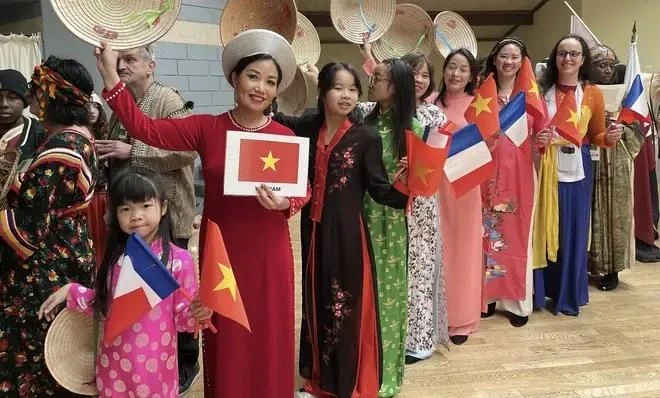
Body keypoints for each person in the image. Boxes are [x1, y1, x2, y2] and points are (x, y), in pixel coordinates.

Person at [94, 29, 310, 398]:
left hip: (268, 252)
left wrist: (286, 204)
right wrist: (112, 77)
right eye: (253, 76)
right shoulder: (207, 127)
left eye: (270, 82)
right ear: (234, 78)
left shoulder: (283, 137)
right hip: (222, 254)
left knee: (269, 334)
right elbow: (144, 128)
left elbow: (302, 190)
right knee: (224, 335)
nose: (260, 87)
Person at [274, 62, 408, 398]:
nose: (346, 95)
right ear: (322, 92)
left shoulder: (366, 137)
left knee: (343, 306)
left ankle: (344, 383)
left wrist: (409, 181)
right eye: (338, 87)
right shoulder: (308, 125)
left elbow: (380, 191)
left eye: (352, 89)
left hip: (348, 234)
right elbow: (272, 119)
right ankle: (318, 376)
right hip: (313, 231)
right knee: (316, 301)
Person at [39, 167, 211, 397]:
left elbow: (183, 320)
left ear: (164, 207)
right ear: (115, 214)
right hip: (113, 368)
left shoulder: (178, 261)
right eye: (126, 208)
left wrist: (200, 312)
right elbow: (105, 307)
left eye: (145, 206)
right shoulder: (117, 258)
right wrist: (72, 291)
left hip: (156, 372)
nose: (136, 215)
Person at [94, 43, 199, 390]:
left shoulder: (168, 100)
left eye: (130, 60)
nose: (121, 66)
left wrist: (133, 150)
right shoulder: (117, 106)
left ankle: (184, 367)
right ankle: (138, 365)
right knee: (136, 299)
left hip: (166, 218)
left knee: (176, 297)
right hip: (129, 221)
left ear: (151, 65)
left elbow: (186, 151)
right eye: (117, 60)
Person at [0, 56, 97, 397]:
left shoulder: (61, 150)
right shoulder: (80, 138)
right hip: (70, 253)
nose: (31, 99)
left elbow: (30, 230)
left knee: (39, 358)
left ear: (53, 98)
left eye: (35, 92)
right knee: (60, 353)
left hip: (46, 270)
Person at [359, 44, 450, 364]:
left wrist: (417, 166)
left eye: (426, 75)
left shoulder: (426, 120)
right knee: (381, 273)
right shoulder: (369, 116)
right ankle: (378, 336)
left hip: (415, 208)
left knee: (414, 275)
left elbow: (437, 161)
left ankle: (417, 340)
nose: (420, 79)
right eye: (415, 73)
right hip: (377, 206)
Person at [532, 35, 624, 315]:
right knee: (544, 228)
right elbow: (529, 130)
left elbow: (595, 134)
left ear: (583, 59)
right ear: (554, 57)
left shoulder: (593, 93)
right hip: (544, 167)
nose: (567, 59)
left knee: (572, 231)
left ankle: (567, 294)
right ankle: (540, 292)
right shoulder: (539, 90)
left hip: (578, 168)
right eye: (562, 53)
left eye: (574, 54)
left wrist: (607, 136)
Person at [357, 57, 421, 397]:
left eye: (378, 78)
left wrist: (416, 169)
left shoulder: (412, 127)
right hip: (358, 215)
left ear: (395, 86)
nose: (372, 82)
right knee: (362, 293)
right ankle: (360, 370)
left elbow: (423, 184)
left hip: (391, 221)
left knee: (387, 297)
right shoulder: (363, 121)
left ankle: (384, 375)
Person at [480, 38, 544, 327]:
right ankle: (490, 295)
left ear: (522, 61)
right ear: (495, 59)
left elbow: (541, 135)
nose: (508, 62)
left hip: (519, 177)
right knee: (491, 235)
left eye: (514, 57)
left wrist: (543, 141)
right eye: (503, 56)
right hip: (487, 176)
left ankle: (517, 301)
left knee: (516, 237)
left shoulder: (529, 95)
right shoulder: (482, 93)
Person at [433, 48, 484, 345]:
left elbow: (491, 139)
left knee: (463, 251)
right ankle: (436, 315)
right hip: (435, 187)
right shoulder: (430, 102)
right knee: (439, 251)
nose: (455, 73)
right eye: (451, 67)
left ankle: (462, 319)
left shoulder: (479, 104)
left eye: (463, 69)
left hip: (464, 186)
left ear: (471, 76)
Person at [588, 45, 644, 290]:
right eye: (601, 65)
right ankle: (587, 266)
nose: (608, 70)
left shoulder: (625, 98)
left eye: (611, 65)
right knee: (590, 217)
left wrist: (622, 129)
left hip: (617, 164)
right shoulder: (585, 93)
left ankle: (612, 270)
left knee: (616, 217)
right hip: (590, 161)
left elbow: (638, 134)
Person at [0, 69, 46, 208]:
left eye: (12, 97)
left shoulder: (40, 133)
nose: (4, 104)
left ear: (24, 100)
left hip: (22, 219)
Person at [87, 93, 110, 266]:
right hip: (88, 196)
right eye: (87, 106)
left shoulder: (106, 132)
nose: (92, 110)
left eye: (95, 106)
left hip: (105, 193)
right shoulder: (78, 135)